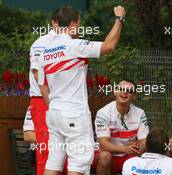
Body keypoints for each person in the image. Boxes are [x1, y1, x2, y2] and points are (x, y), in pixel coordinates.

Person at [38, 5, 126, 175]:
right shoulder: (74, 45)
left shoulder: (44, 52)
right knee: (78, 165)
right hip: (74, 114)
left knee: (53, 163)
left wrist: (55, 107)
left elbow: (43, 86)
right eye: (79, 24)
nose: (79, 27)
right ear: (72, 24)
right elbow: (109, 46)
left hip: (55, 114)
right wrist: (119, 19)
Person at [93, 79, 149, 175]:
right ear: (115, 91)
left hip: (130, 155)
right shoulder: (103, 113)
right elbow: (103, 144)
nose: (124, 93)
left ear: (134, 96)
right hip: (109, 156)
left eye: (129, 91)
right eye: (121, 89)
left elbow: (144, 140)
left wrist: (139, 146)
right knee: (105, 156)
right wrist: (125, 149)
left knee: (146, 155)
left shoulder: (140, 113)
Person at [28, 16, 58, 175]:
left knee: (65, 150)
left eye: (76, 24)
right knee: (46, 148)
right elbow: (37, 73)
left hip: (60, 102)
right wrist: (51, 101)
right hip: (42, 100)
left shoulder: (69, 43)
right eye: (71, 24)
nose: (74, 28)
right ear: (54, 23)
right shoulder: (41, 43)